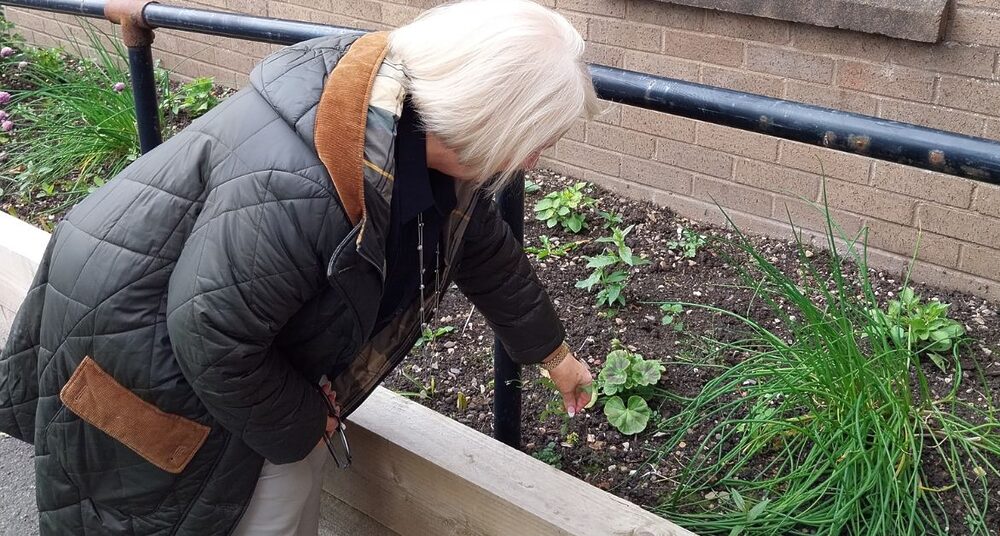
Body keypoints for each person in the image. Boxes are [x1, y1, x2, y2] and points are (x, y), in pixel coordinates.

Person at [0, 0, 602, 534]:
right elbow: (213, 339)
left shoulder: (397, 111)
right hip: (137, 343)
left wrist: (553, 355)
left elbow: (481, 247)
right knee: (243, 497)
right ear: (483, 118)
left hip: (198, 318)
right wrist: (306, 423)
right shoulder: (307, 185)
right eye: (535, 138)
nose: (534, 156)